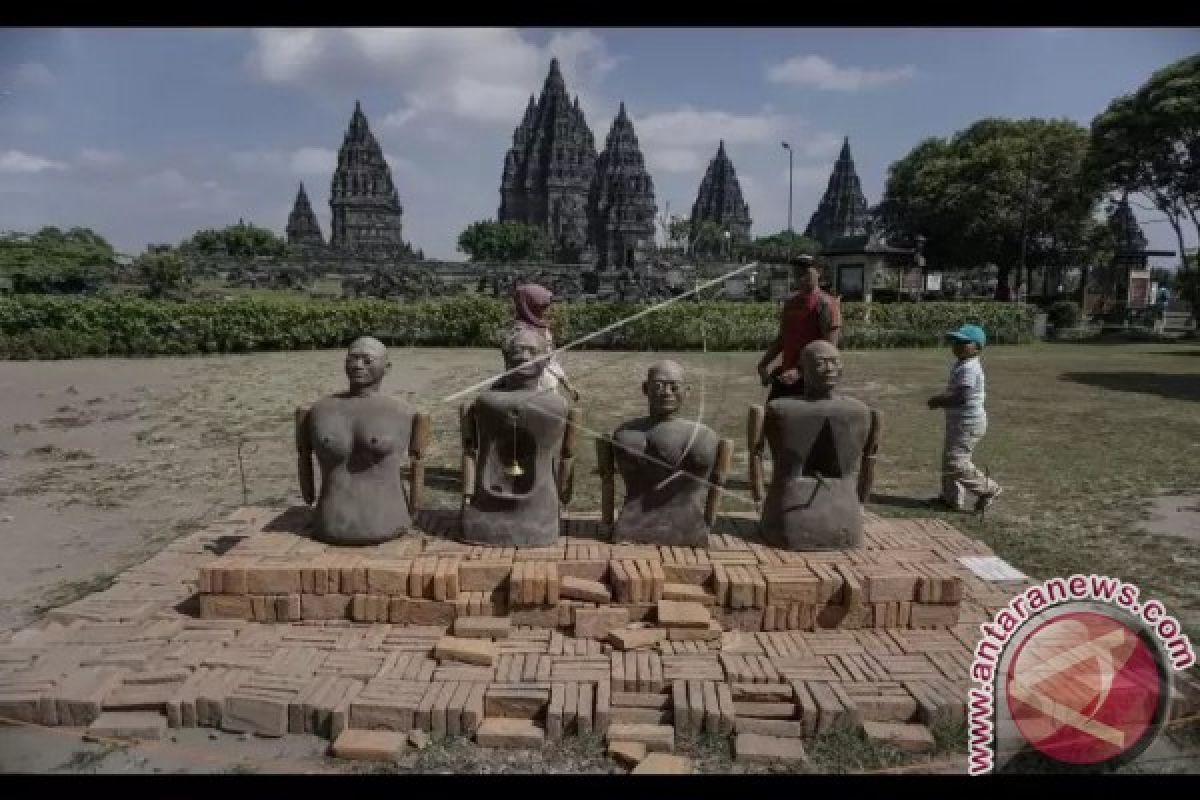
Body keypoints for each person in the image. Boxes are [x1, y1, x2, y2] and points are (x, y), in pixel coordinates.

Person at [926, 324, 1003, 512]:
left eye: (963, 342)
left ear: (977, 347)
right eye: (955, 341)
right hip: (960, 422)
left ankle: (989, 489)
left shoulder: (969, 368)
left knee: (956, 463)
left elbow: (961, 397)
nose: (957, 345)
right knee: (949, 460)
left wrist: (938, 400)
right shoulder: (962, 364)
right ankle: (950, 499)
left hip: (968, 423)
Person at [756, 255, 842, 401]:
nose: (800, 275)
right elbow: (783, 338)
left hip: (812, 381)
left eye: (805, 270)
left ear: (819, 271)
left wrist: (799, 371)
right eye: (797, 270)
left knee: (803, 422)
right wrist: (763, 365)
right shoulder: (790, 303)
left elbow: (829, 351)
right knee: (773, 418)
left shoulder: (826, 304)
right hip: (785, 376)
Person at [510, 282, 580, 402]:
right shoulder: (520, 335)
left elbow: (552, 362)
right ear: (529, 307)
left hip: (548, 389)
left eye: (547, 306)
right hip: (530, 397)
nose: (548, 310)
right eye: (542, 307)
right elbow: (521, 372)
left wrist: (568, 385)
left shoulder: (543, 331)